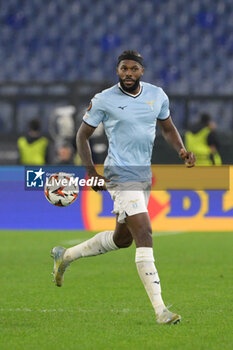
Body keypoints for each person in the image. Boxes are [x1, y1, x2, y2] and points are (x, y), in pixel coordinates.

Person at [51, 50, 195, 325]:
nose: (128, 73)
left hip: (143, 174)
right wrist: (91, 171)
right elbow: (82, 135)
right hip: (119, 173)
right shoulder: (104, 99)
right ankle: (160, 310)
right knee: (144, 231)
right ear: (117, 70)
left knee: (123, 239)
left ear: (142, 71)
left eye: (133, 69)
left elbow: (167, 128)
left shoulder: (157, 95)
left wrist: (182, 150)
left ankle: (65, 256)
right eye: (123, 69)